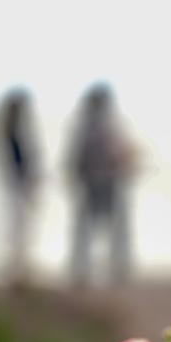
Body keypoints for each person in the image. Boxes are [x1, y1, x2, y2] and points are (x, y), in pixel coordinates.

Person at [65, 83, 137, 286]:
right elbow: (118, 155)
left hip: (99, 182)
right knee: (103, 230)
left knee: (95, 231)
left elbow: (76, 159)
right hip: (101, 182)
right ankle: (97, 270)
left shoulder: (87, 125)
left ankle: (92, 270)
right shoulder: (102, 125)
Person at [0, 89, 41, 287]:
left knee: (16, 230)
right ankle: (15, 273)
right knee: (17, 231)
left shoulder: (9, 130)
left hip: (15, 188)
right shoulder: (13, 133)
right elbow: (18, 164)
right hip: (17, 188)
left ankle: (17, 271)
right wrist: (27, 184)